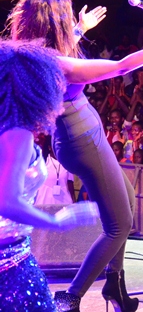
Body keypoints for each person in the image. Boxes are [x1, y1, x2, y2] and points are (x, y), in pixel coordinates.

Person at [8, 0, 143, 312]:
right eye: (66, 19)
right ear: (54, 23)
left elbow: (59, 52)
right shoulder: (58, 65)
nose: (71, 23)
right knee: (120, 224)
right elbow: (121, 67)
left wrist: (81, 29)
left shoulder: (33, 56)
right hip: (82, 140)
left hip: (81, 135)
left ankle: (115, 281)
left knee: (127, 199)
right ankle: (72, 296)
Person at [0, 41, 99, 312]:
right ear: (34, 87)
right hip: (10, 268)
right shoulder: (16, 133)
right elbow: (7, 202)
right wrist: (56, 221)